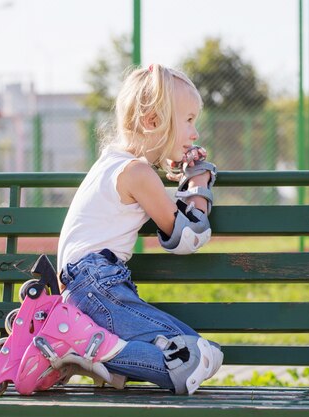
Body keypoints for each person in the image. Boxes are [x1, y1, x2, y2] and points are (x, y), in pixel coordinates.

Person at [53, 64, 222, 395]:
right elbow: (187, 237)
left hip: (86, 286)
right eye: (188, 120)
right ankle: (77, 347)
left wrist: (177, 175)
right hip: (96, 284)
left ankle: (86, 351)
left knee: (199, 353)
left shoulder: (112, 163)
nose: (195, 133)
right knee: (193, 360)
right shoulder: (137, 173)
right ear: (153, 121)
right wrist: (200, 182)